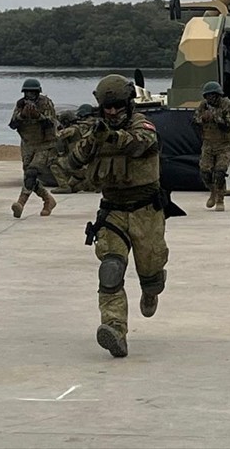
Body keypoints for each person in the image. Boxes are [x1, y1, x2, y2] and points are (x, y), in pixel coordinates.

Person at [58, 74, 172, 359]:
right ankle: (115, 329)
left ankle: (151, 289)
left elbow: (140, 143)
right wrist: (91, 142)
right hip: (113, 210)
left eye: (117, 106)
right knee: (110, 270)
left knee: (151, 271)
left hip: (146, 209)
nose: (111, 112)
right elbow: (71, 163)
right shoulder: (95, 131)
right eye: (107, 107)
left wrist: (109, 136)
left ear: (129, 104)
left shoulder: (141, 125)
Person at [7, 77, 59, 218]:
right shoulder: (20, 105)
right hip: (28, 144)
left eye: (33, 93)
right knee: (29, 179)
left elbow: (51, 124)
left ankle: (21, 203)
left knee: (32, 172)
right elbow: (12, 124)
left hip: (45, 144)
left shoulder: (46, 104)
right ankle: (48, 200)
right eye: (27, 93)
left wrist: (38, 116)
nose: (30, 96)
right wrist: (22, 115)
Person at [193, 81, 230, 211]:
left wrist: (216, 117)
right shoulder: (204, 106)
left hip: (224, 144)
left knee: (220, 171)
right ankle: (213, 191)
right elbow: (194, 120)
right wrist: (203, 118)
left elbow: (228, 125)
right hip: (208, 143)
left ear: (218, 95)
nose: (210, 99)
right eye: (207, 96)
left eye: (212, 96)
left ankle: (220, 198)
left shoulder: (227, 106)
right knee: (205, 172)